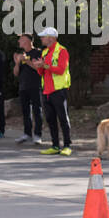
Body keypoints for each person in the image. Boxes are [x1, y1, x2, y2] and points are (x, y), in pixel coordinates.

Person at [34, 27, 72, 156]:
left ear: (51, 38)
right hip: (46, 91)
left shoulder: (62, 51)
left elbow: (61, 69)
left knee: (63, 119)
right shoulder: (44, 52)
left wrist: (44, 65)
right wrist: (39, 66)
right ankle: (55, 145)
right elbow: (42, 72)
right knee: (50, 119)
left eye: (43, 36)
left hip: (59, 90)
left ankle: (67, 145)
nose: (41, 38)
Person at [14, 33, 44, 145]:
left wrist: (26, 60)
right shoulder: (22, 54)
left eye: (20, 39)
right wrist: (17, 63)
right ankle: (27, 133)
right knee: (25, 111)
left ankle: (37, 135)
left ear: (27, 40)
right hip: (23, 86)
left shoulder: (38, 52)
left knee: (37, 110)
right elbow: (16, 73)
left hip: (35, 86)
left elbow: (39, 68)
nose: (19, 42)